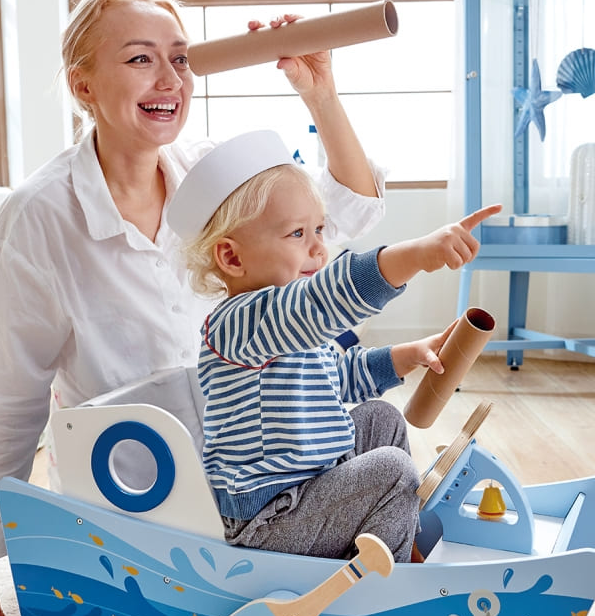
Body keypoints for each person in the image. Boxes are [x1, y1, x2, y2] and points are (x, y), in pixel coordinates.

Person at [0, 0, 389, 616]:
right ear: (84, 86)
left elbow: (347, 210)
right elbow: (1, 398)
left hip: (259, 470)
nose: (169, 80)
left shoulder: (213, 179)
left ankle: (361, 566)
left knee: (379, 435)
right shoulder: (39, 216)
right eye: (139, 59)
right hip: (140, 495)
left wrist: (320, 94)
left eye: (180, 59)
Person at [170, 130, 499, 562]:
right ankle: (391, 573)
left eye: (320, 229)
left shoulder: (288, 325)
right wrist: (415, 255)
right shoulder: (239, 322)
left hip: (310, 490)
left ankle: (397, 530)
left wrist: (406, 355)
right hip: (270, 520)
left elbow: (338, 377)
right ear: (232, 258)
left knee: (381, 419)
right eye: (297, 234)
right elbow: (323, 300)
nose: (319, 249)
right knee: (393, 469)